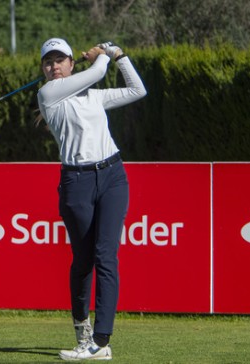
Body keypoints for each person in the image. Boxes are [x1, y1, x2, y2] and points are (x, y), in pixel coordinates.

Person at [36, 38, 147, 361]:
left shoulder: (94, 97)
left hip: (112, 176)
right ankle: (82, 329)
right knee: (83, 261)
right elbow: (98, 73)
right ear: (43, 70)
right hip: (77, 182)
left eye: (60, 60)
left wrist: (120, 56)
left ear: (72, 64)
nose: (54, 67)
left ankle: (101, 340)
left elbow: (137, 90)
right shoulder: (48, 95)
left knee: (106, 256)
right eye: (48, 62)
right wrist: (104, 55)